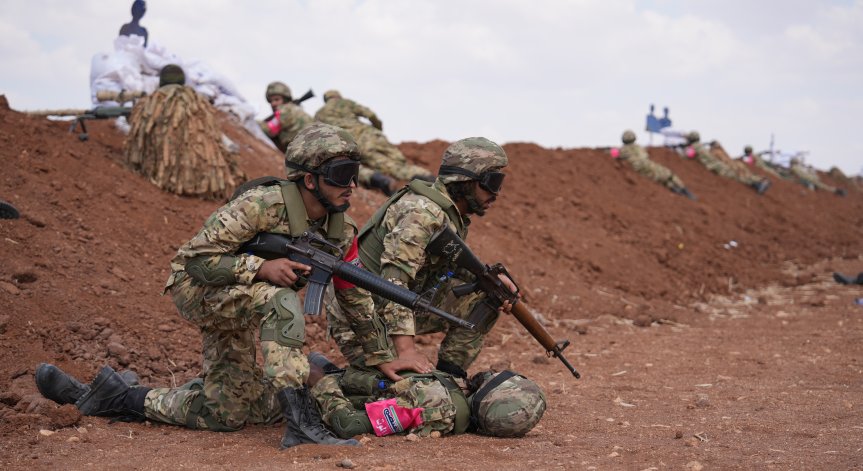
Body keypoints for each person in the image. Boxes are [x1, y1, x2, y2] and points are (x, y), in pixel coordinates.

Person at [35, 123, 426, 449]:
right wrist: (260, 267)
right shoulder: (260, 205)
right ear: (309, 178)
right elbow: (195, 260)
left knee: (226, 413)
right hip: (200, 289)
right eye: (341, 174)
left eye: (356, 173)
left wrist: (381, 355)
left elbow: (352, 293)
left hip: (242, 299)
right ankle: (301, 425)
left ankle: (117, 396)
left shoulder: (340, 230)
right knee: (281, 300)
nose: (352, 184)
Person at [327, 137, 516, 381]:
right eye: (492, 183)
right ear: (465, 181)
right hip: (361, 317)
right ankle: (323, 376)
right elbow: (393, 283)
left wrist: (491, 280)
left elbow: (446, 263)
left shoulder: (448, 212)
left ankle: (451, 377)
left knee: (485, 299)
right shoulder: (421, 214)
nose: (496, 194)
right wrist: (407, 352)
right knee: (405, 387)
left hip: (394, 306)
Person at [307, 353, 546, 439]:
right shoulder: (458, 391)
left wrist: (319, 381)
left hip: (321, 392)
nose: (492, 373)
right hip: (348, 379)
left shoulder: (435, 405)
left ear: (492, 396)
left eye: (497, 379)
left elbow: (349, 424)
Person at [124, 64, 244, 200]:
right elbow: (215, 137)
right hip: (206, 183)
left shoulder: (152, 103)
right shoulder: (197, 102)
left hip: (168, 181)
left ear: (161, 80)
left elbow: (139, 141)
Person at [315, 90, 434, 194]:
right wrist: (378, 128)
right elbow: (370, 114)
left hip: (359, 141)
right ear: (338, 96)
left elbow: (320, 134)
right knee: (400, 162)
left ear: (326, 99)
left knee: (393, 167)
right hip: (374, 135)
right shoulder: (348, 103)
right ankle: (429, 177)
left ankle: (411, 182)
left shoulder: (320, 113)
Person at [613, 129, 695, 199]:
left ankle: (678, 192)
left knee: (661, 179)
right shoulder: (639, 147)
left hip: (639, 168)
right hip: (647, 164)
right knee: (669, 175)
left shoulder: (622, 150)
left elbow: (615, 155)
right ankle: (685, 192)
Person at [684, 131, 771, 194]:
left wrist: (684, 149)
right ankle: (757, 182)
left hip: (717, 167)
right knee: (737, 175)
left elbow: (688, 156)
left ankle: (758, 183)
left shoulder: (695, 147)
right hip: (720, 165)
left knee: (737, 177)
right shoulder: (701, 147)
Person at [259, 81, 314, 153]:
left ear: (285, 99)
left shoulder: (285, 110)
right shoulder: (295, 109)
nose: (273, 104)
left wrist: (255, 123)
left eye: (276, 99)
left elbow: (269, 130)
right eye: (271, 101)